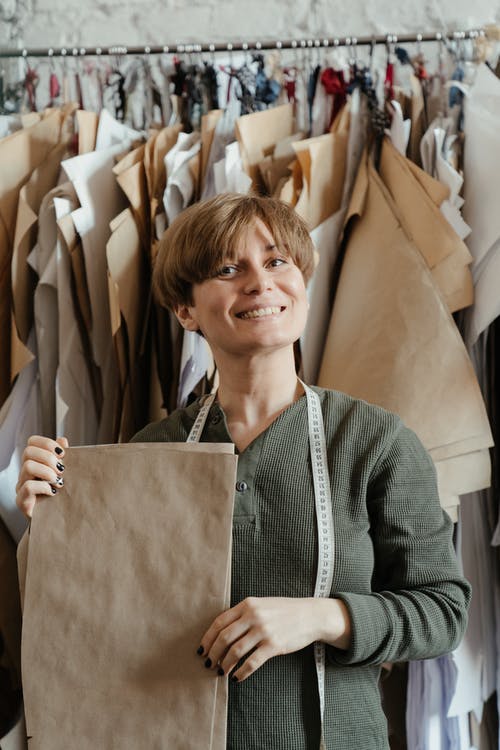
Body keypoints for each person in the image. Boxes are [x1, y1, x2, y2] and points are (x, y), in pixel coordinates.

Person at [16, 193, 471, 749]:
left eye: (277, 261)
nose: (260, 282)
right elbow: (96, 627)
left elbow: (444, 612)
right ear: (186, 310)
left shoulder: (376, 444)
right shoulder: (152, 451)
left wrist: (324, 618)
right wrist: (52, 523)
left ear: (302, 281)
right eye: (229, 269)